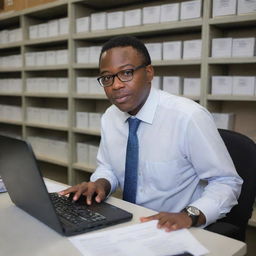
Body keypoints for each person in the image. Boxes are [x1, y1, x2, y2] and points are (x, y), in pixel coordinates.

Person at [60, 35, 242, 231]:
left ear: (148, 73)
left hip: (174, 228)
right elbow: (108, 167)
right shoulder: (110, 117)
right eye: (107, 77)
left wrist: (189, 215)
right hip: (129, 223)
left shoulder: (188, 117)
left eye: (127, 73)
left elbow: (226, 182)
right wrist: (100, 184)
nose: (116, 85)